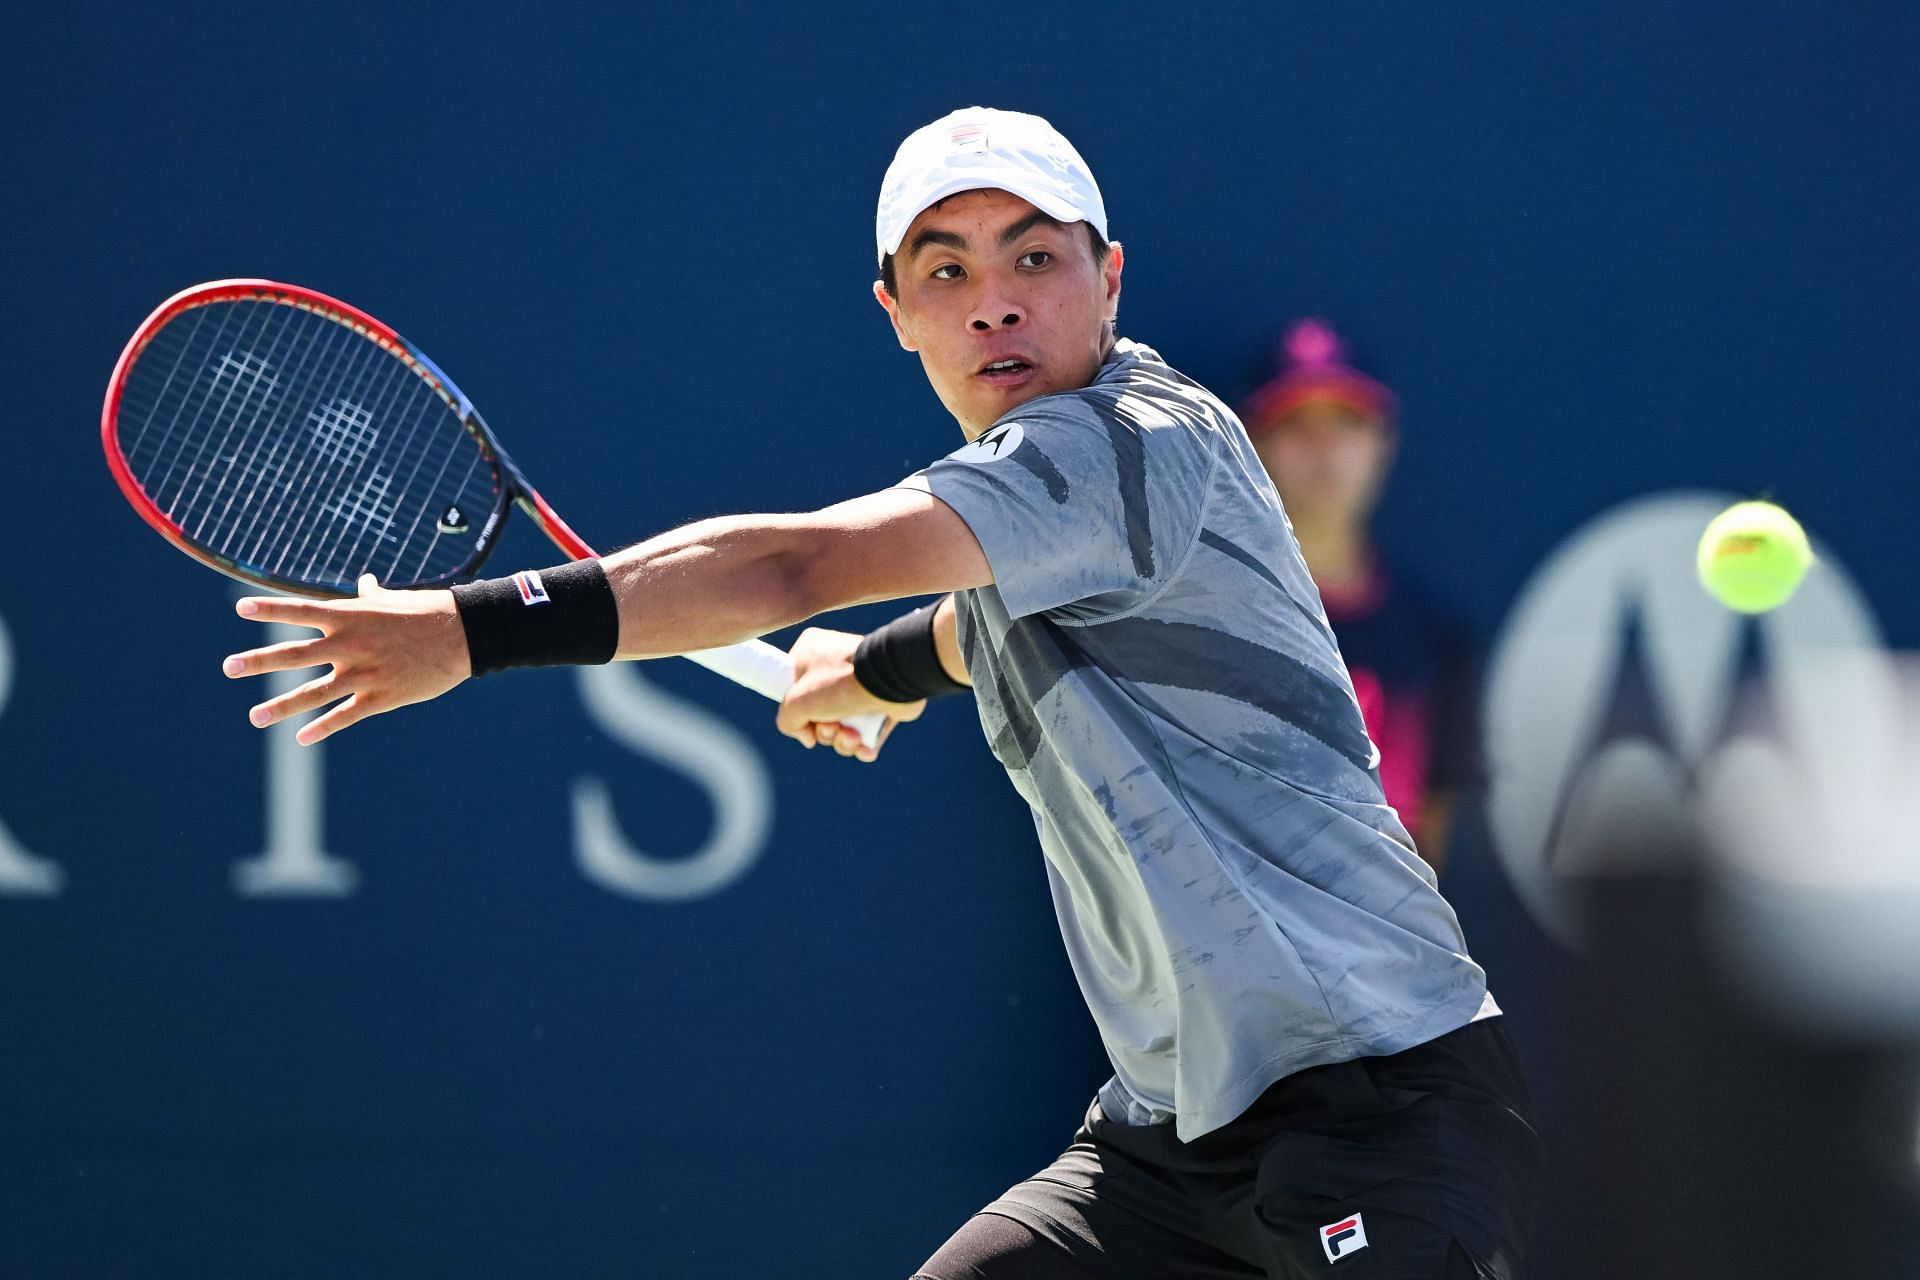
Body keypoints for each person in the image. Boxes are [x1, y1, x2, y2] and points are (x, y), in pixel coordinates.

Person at [221, 107, 1540, 1279]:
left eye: (1035, 256)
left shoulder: (1136, 443)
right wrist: (876, 669)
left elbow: (800, 561)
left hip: (1379, 1106)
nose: (995, 303)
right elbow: (983, 623)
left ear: (1107, 276)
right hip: (1167, 1149)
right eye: (946, 271)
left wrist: (469, 632)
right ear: (896, 312)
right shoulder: (1051, 514)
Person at [1242, 323, 1485, 870]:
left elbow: (1433, 849)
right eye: (1294, 423)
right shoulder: (1213, 622)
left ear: (1384, 442)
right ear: (1253, 445)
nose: (1323, 449)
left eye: (1347, 421)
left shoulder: (1437, 635)